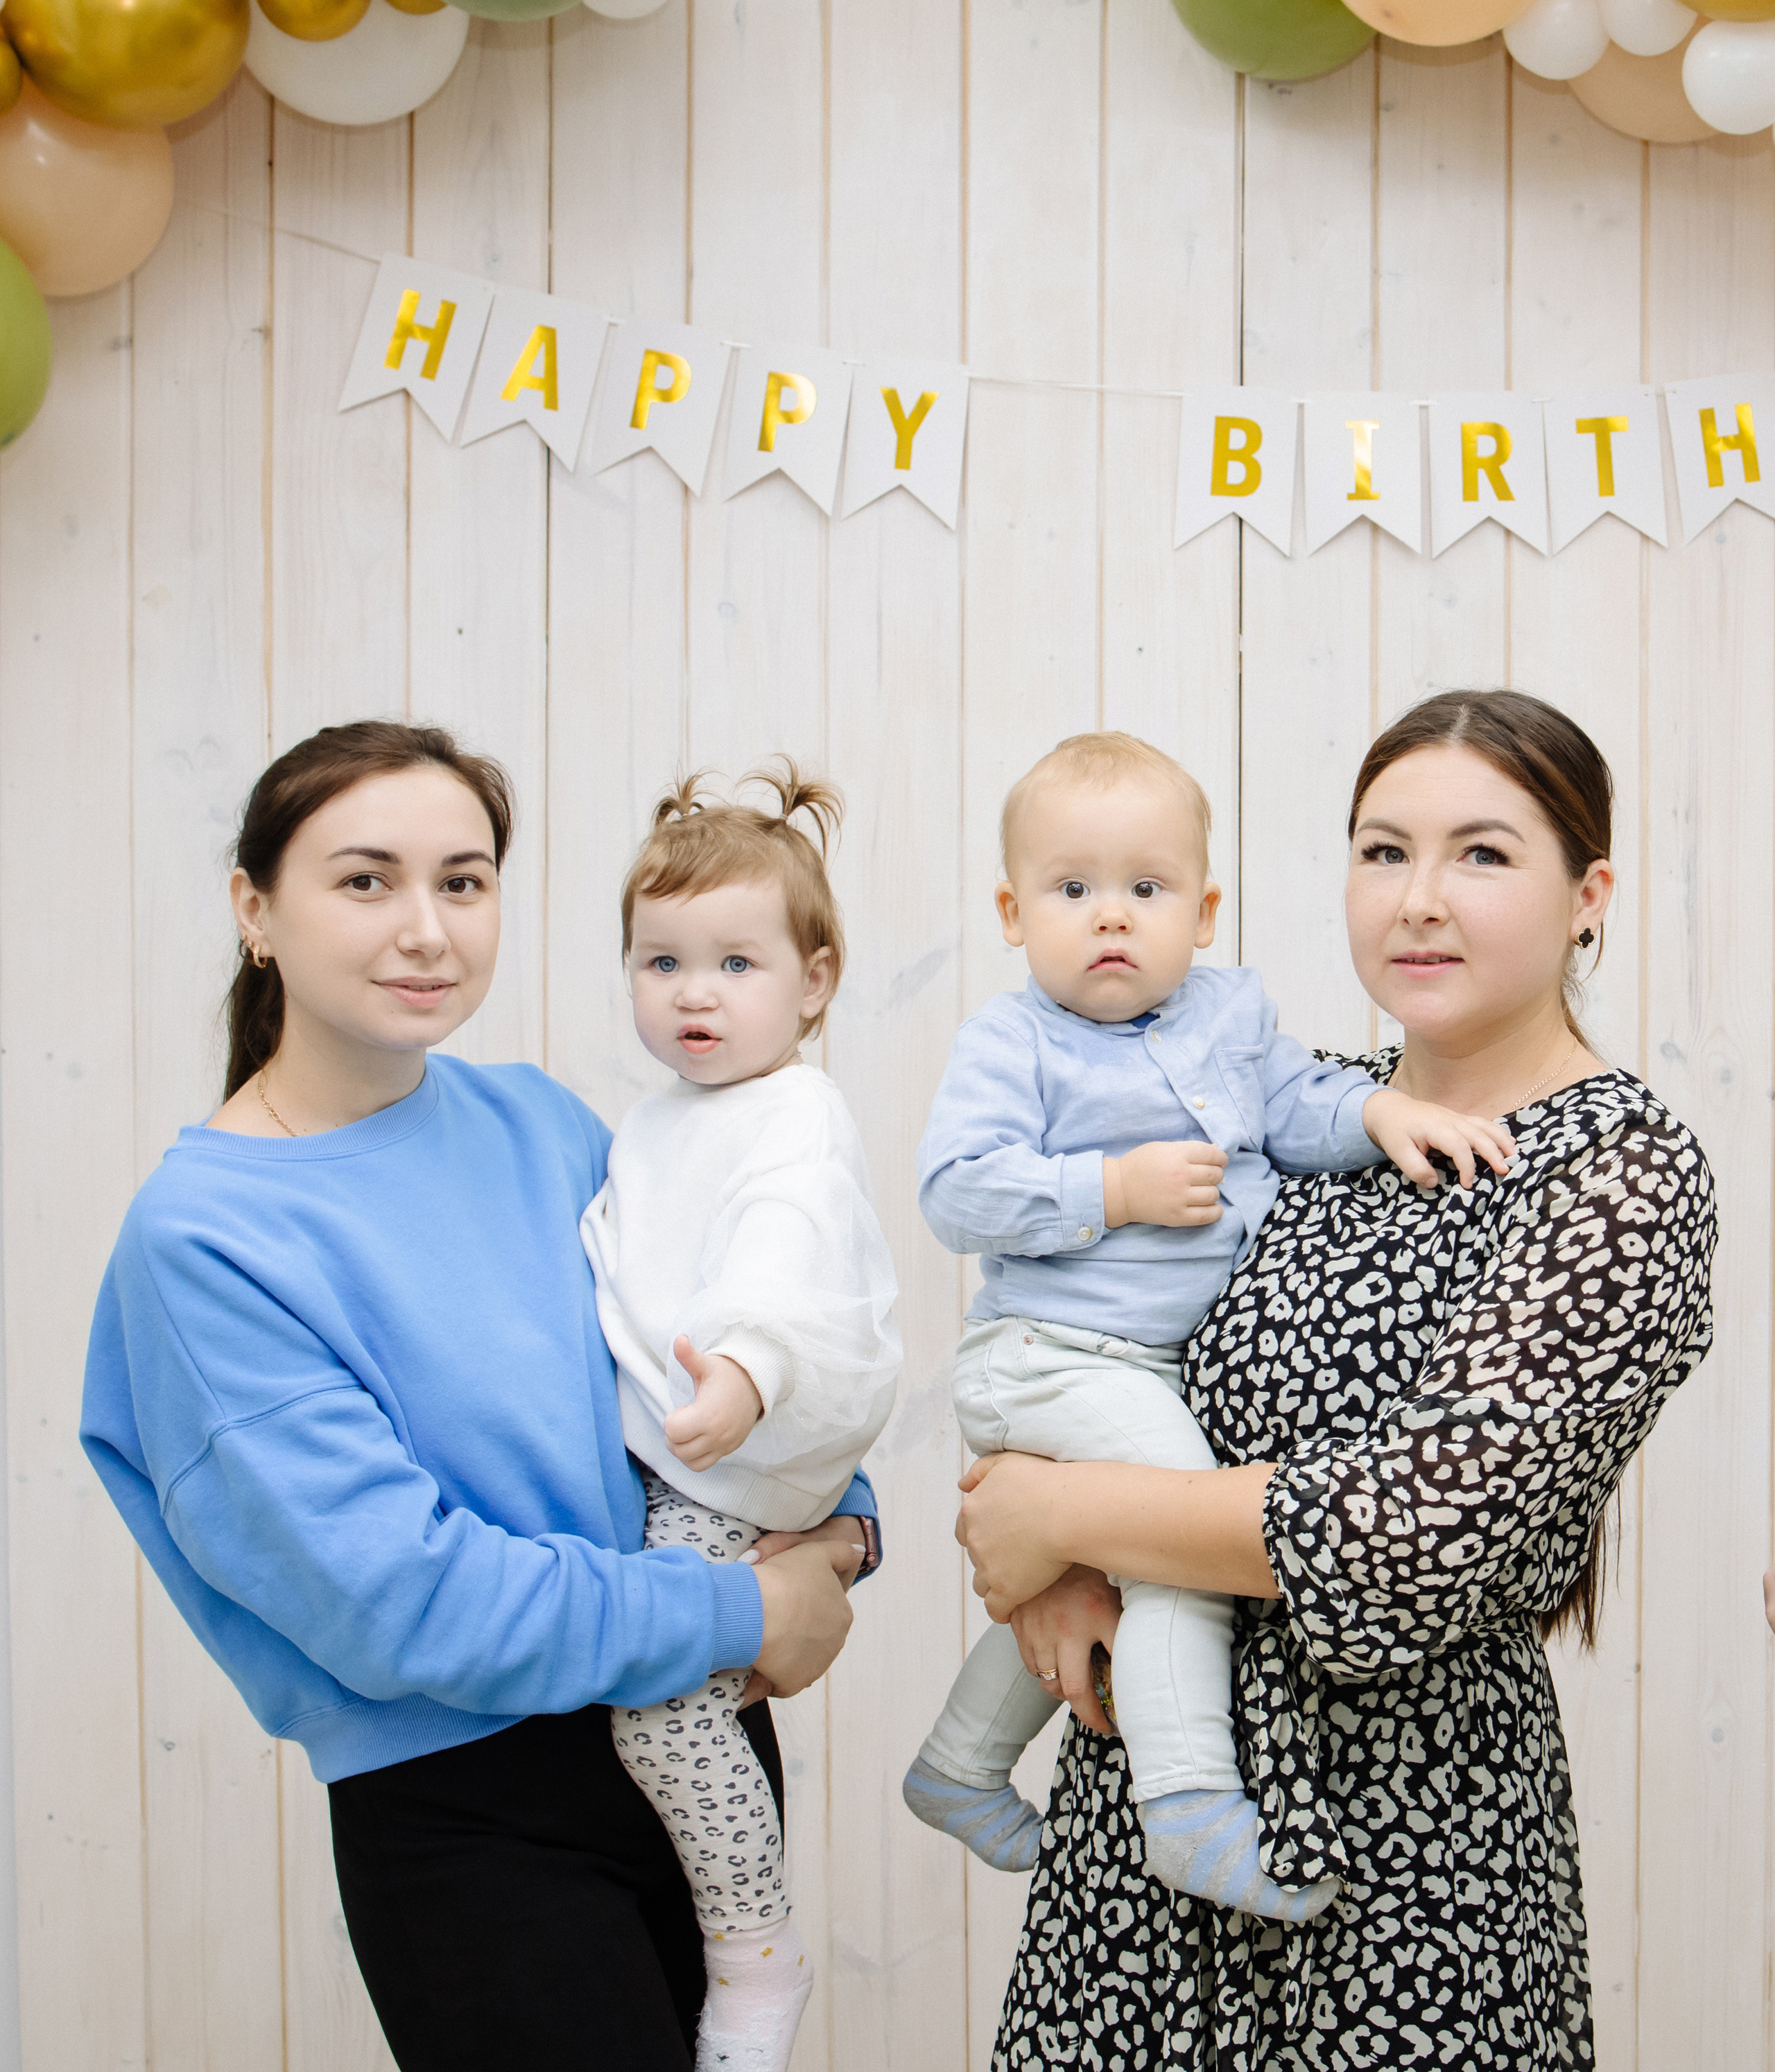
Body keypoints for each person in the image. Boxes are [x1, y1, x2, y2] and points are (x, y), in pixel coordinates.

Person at [78, 721, 878, 2072]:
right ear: (253, 909)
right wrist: (744, 1605)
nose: (425, 929)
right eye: (365, 879)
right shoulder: (205, 1242)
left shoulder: (536, 1120)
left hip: (690, 1740)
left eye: (462, 880)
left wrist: (842, 1531)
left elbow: (732, 1329)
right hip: (472, 1814)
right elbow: (402, 1604)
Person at [953, 692, 1717, 2071]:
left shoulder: (1616, 1171)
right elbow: (1082, 1346)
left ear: (1584, 893)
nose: (1418, 899)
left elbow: (1399, 1538)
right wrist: (1053, 1561)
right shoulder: (1305, 1107)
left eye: (1480, 855)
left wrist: (1064, 1518)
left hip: (1403, 1864)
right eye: (1381, 851)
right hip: (1135, 1845)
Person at [901, 731, 1508, 1923]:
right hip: (1051, 1353)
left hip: (1137, 1370)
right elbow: (953, 1189)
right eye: (1072, 890)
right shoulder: (1011, 1041)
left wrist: (1381, 1106)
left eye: (1147, 887)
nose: (1111, 917)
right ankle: (1186, 1803)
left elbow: (1296, 1106)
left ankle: (960, 1761)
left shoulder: (1231, 1016)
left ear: (1206, 907)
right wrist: (1109, 1191)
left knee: (1113, 1566)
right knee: (1179, 1534)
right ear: (1013, 911)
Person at [582, 763, 900, 2072]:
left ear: (814, 982)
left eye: (733, 962)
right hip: (694, 1463)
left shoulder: (795, 1117)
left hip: (731, 1461)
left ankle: (756, 1953)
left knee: (658, 1713)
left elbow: (787, 1260)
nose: (694, 993)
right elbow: (614, 1261)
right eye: (661, 962)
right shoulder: (655, 1122)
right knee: (686, 1707)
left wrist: (744, 1377)